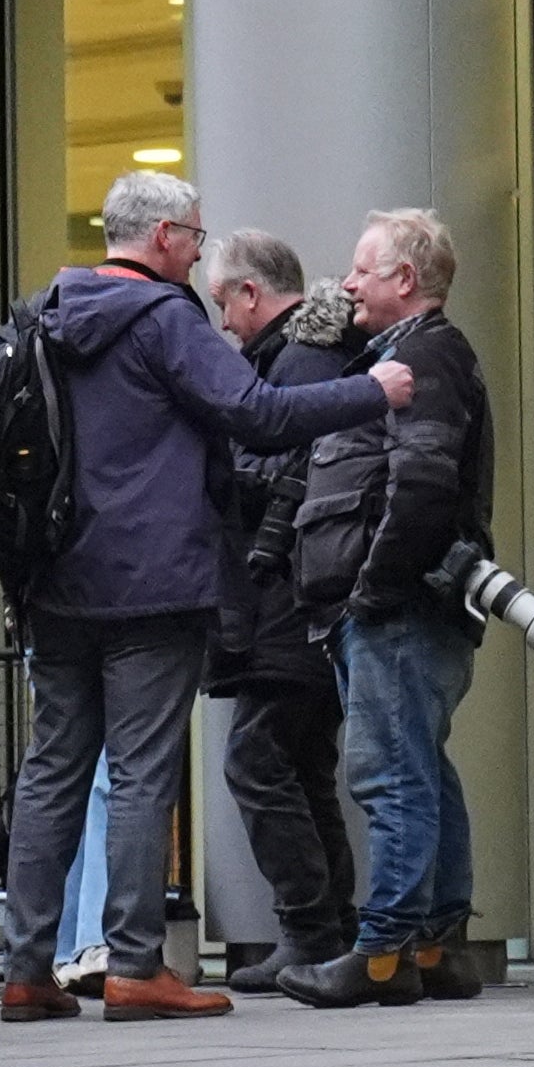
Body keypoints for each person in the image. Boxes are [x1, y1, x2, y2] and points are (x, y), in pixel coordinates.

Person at [4, 172, 406, 1023]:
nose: (198, 246)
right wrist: (372, 390)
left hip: (55, 579)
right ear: (159, 238)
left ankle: (25, 968)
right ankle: (135, 965)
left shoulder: (47, 314)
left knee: (52, 774)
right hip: (150, 582)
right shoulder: (161, 318)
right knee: (144, 773)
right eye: (193, 232)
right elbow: (253, 412)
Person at [276, 208, 480, 1012]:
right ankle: (437, 943)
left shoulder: (423, 354)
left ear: (406, 279)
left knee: (388, 771)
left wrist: (372, 588)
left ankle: (384, 950)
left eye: (364, 268)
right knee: (421, 763)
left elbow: (424, 483)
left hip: (399, 604)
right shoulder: (411, 353)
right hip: (415, 602)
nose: (349, 281)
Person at [204, 229, 364, 989]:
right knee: (302, 763)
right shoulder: (308, 356)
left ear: (250, 293)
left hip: (289, 595)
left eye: (223, 303)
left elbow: (275, 477)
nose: (223, 323)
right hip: (307, 593)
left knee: (258, 759)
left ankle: (311, 930)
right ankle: (328, 929)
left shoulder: (293, 365)